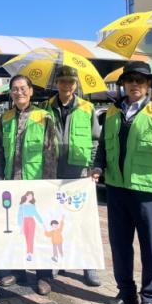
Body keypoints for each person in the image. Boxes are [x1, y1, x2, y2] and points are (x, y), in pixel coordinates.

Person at [95, 61, 152, 304]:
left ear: (148, 85)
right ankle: (126, 293)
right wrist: (98, 167)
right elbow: (103, 147)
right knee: (120, 245)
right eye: (130, 79)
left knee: (151, 247)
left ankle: (150, 297)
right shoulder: (112, 112)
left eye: (141, 80)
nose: (135, 84)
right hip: (117, 188)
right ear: (123, 83)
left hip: (148, 190)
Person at [0, 75, 58, 294]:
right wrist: (0, 176)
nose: (19, 92)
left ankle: (43, 275)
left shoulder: (44, 116)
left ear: (31, 91)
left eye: (23, 88)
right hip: (12, 183)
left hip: (36, 184)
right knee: (14, 229)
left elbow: (50, 152)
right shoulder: (5, 118)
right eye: (15, 89)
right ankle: (17, 271)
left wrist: (48, 184)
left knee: (39, 229)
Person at [41, 65, 101, 287]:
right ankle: (58, 260)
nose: (67, 85)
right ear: (56, 83)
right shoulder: (45, 108)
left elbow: (96, 139)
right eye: (63, 81)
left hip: (79, 173)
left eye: (71, 82)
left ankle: (89, 265)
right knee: (55, 219)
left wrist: (92, 167)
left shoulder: (87, 108)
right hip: (54, 171)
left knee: (84, 221)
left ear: (76, 85)